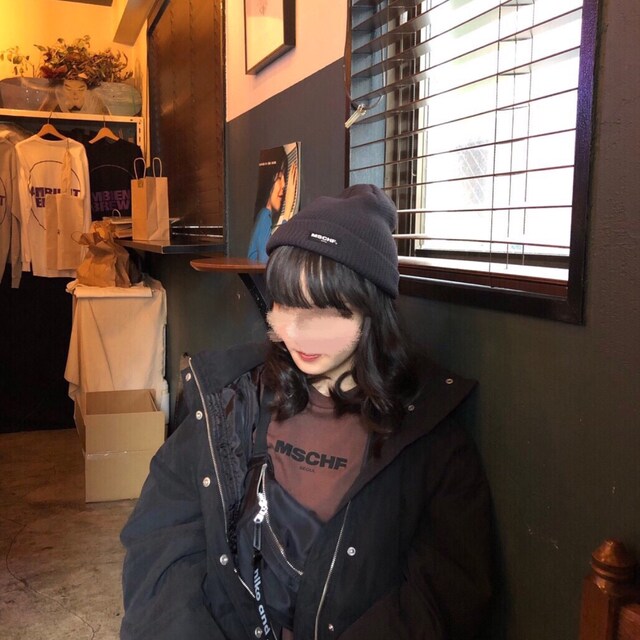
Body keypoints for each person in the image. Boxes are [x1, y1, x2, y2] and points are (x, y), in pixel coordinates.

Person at [120, 184, 493, 639]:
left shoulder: (430, 440)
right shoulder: (230, 399)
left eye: (325, 313)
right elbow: (162, 538)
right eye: (286, 305)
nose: (299, 333)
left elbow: (441, 600)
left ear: (371, 313)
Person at [247, 147, 288, 262]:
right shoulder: (265, 216)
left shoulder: (264, 214)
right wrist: (286, 215)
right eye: (279, 178)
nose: (284, 185)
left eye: (284, 178)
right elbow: (266, 260)